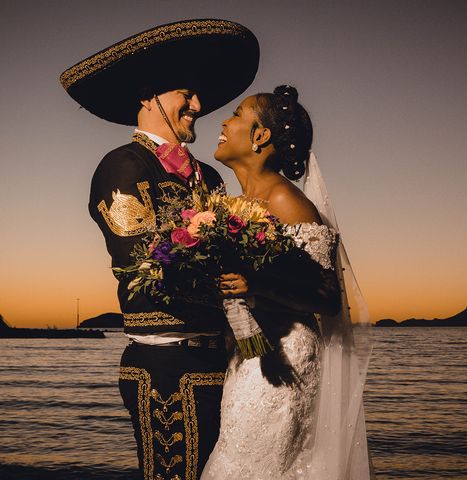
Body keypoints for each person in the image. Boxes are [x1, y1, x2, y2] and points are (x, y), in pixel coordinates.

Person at [59, 19, 259, 480]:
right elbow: (143, 264)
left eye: (197, 97)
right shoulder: (122, 165)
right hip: (167, 365)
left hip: (221, 358)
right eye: (185, 95)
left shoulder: (209, 176)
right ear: (149, 97)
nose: (198, 106)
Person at [200, 85, 374, 479]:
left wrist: (256, 285)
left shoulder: (285, 201)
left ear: (260, 136)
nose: (224, 123)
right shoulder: (228, 205)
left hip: (285, 359)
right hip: (249, 355)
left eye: (237, 114)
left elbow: (328, 298)